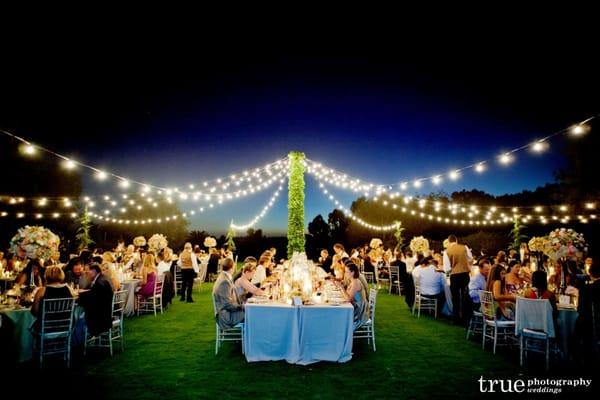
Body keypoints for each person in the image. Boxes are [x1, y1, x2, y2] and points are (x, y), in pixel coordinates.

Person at [443, 235, 473, 325]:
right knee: (465, 296)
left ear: (449, 241)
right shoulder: (464, 247)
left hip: (455, 275)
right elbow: (470, 258)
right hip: (465, 274)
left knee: (455, 298)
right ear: (456, 240)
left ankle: (456, 319)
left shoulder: (446, 251)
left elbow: (447, 268)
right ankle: (465, 319)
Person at [77, 263, 114, 336]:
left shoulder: (99, 283)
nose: (86, 273)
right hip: (106, 313)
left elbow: (93, 300)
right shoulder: (103, 278)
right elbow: (95, 294)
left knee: (77, 316)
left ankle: (76, 343)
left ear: (93, 271)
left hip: (100, 317)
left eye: (87, 270)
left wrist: (79, 298)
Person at [334, 262, 368, 330]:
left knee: (338, 314)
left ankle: (341, 332)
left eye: (347, 272)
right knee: (337, 311)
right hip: (355, 307)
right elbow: (346, 295)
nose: (345, 274)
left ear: (352, 272)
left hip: (359, 312)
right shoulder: (352, 281)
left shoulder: (356, 282)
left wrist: (341, 287)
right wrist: (340, 287)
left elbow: (348, 299)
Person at [212, 258, 244, 329]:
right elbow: (227, 304)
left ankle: (246, 337)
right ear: (232, 267)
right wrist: (241, 307)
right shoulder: (225, 281)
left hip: (227, 311)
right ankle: (248, 338)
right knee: (250, 314)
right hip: (226, 316)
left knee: (249, 311)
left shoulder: (224, 276)